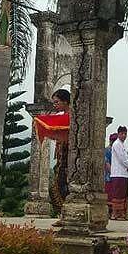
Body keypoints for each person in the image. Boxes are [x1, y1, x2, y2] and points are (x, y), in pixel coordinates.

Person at [48, 88, 71, 216]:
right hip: (61, 155)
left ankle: (65, 214)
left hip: (69, 155)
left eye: (57, 102)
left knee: (62, 186)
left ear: (65, 102)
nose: (55, 105)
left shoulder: (74, 117)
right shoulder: (60, 116)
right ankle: (62, 214)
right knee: (56, 187)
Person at [108, 125, 128, 220]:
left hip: (123, 173)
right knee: (117, 195)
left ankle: (121, 214)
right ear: (118, 134)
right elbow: (122, 158)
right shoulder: (117, 144)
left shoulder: (122, 145)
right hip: (118, 173)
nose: (124, 135)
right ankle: (114, 214)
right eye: (122, 133)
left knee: (123, 195)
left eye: (125, 134)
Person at [104, 133, 118, 203]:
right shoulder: (108, 150)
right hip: (110, 177)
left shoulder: (110, 150)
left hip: (112, 176)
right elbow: (107, 164)